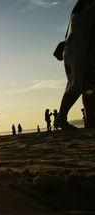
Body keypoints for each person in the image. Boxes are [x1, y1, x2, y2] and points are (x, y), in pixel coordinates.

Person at [54, 0, 95, 129]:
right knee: (77, 85)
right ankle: (61, 118)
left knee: (87, 86)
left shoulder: (80, 7)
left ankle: (89, 119)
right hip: (81, 50)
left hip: (79, 49)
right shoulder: (87, 5)